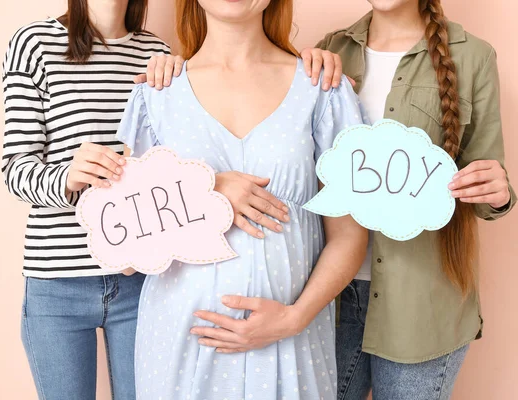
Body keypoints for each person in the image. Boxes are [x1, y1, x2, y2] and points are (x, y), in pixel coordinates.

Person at [142, 1, 515, 399]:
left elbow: (486, 180)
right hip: (335, 299)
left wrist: (497, 192)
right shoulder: (329, 54)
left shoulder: (471, 57)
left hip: (419, 296)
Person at [117, 0, 369, 398]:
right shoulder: (156, 94)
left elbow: (350, 234)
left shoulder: (320, 87)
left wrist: (293, 319)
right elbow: (130, 248)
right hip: (180, 343)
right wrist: (206, 191)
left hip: (293, 344)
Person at [1, 0, 170, 398]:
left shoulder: (158, 54)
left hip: (142, 281)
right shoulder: (34, 43)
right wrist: (68, 177)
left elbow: (171, 167)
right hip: (57, 282)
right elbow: (15, 170)